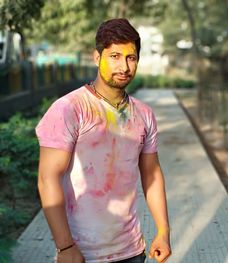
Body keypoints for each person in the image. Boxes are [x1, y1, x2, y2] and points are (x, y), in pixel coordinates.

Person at [36, 18, 171, 263]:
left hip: (132, 250)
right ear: (97, 57)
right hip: (82, 252)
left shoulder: (144, 114)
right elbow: (48, 179)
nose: (124, 66)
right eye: (115, 56)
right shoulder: (70, 109)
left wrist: (163, 231)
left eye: (131, 58)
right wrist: (65, 247)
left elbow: (151, 174)